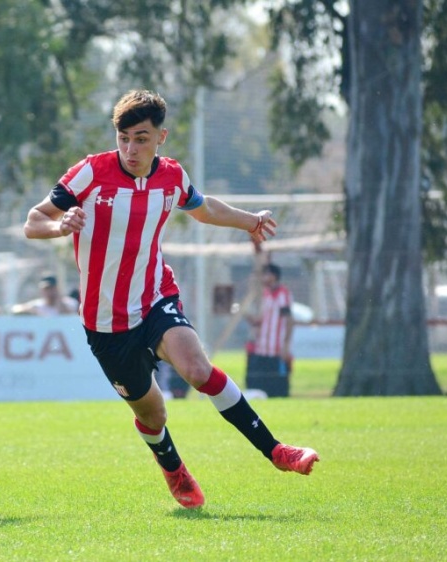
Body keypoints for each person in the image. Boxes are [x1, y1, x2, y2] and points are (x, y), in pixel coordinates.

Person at [23, 89, 319, 509]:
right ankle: (172, 466)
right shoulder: (90, 172)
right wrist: (61, 226)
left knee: (197, 368)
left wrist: (249, 221)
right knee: (153, 415)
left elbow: (203, 208)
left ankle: (276, 450)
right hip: (106, 323)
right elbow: (33, 221)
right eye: (124, 138)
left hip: (155, 298)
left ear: (161, 137)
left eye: (141, 139)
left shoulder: (171, 176)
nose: (130, 149)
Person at [246, 263, 295, 398]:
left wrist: (286, 344)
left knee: (277, 384)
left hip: (276, 347)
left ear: (273, 276)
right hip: (262, 347)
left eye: (265, 274)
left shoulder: (283, 294)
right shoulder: (265, 294)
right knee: (260, 382)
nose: (263, 278)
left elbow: (288, 319)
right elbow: (261, 319)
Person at [11, 273, 79, 316]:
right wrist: (29, 310)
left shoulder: (70, 302)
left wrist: (59, 301)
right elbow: (15, 309)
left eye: (51, 288)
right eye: (46, 289)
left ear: (56, 288)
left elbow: (70, 316)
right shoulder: (38, 305)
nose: (48, 292)